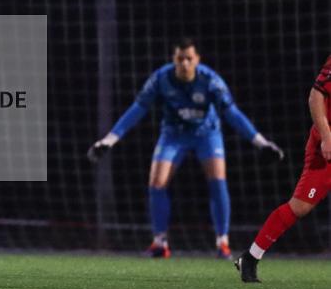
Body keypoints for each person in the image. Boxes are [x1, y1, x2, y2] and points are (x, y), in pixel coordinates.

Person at [88, 38, 284, 259]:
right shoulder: (161, 79)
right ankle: (160, 243)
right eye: (180, 58)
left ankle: (223, 243)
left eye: (189, 58)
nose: (184, 63)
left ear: (197, 60)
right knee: (157, 181)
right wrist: (109, 140)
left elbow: (233, 115)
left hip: (207, 134)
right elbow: (137, 109)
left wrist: (261, 143)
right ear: (174, 59)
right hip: (174, 134)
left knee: (218, 180)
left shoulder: (211, 81)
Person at [236, 55, 331, 282]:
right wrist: (327, 136)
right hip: (326, 148)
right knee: (300, 207)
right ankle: (250, 257)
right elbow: (316, 95)